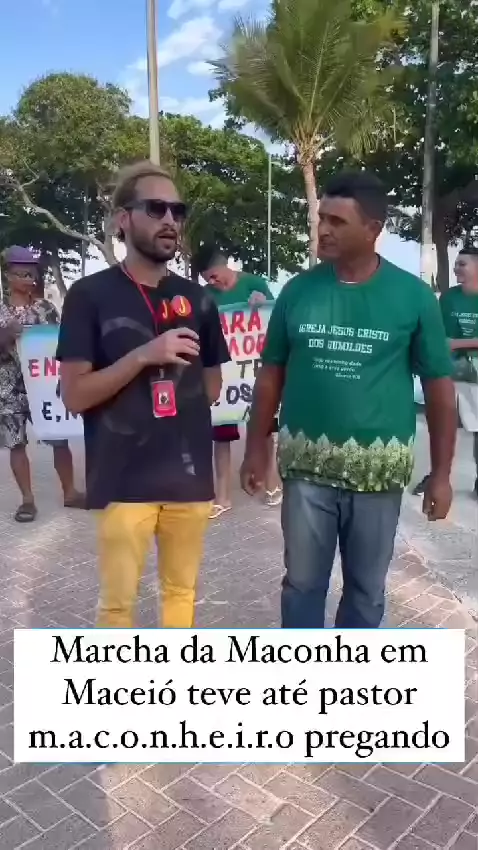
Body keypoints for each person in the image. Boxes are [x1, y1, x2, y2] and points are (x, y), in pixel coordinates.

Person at [241, 170, 457, 629]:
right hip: (306, 469)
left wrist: (441, 474)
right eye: (322, 218)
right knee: (301, 585)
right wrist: (255, 446)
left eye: (337, 221)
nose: (323, 229)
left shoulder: (413, 297)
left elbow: (440, 387)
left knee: (365, 591)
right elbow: (271, 374)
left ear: (373, 229)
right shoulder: (298, 291)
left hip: (378, 474)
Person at [56, 161, 230, 629]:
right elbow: (74, 395)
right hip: (122, 478)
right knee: (117, 607)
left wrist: (176, 395)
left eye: (178, 210)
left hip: (188, 478)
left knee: (181, 595)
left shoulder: (200, 300)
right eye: (156, 208)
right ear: (123, 219)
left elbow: (213, 385)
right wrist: (143, 357)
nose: (170, 220)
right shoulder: (88, 295)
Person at [194, 246, 282, 517]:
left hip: (254, 372)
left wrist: (262, 303)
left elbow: (273, 321)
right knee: (221, 436)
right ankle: (222, 496)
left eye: (214, 275)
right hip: (225, 377)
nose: (213, 282)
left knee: (265, 430)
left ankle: (270, 484)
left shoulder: (255, 284)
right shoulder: (206, 296)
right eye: (207, 279)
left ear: (225, 265)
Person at [0, 246, 84, 522]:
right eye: (23, 274)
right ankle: (27, 500)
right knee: (16, 444)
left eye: (32, 274)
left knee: (59, 438)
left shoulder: (45, 309)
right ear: (9, 276)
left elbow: (60, 342)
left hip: (44, 385)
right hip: (9, 389)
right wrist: (6, 335)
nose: (30, 279)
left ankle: (70, 492)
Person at [413, 246, 478, 499]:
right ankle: (437, 476)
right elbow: (439, 334)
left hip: (472, 365)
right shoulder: (449, 298)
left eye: (463, 264)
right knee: (442, 421)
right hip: (452, 366)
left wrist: (457, 344)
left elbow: (451, 341)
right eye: (456, 263)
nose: (456, 268)